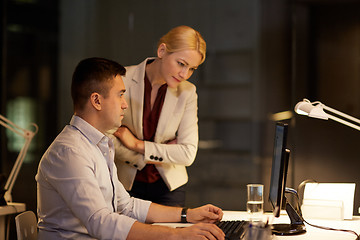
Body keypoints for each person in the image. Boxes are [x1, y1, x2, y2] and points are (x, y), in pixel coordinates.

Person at [36, 57, 225, 240]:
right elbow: (101, 222)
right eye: (120, 95)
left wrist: (187, 215)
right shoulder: (69, 152)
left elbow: (126, 206)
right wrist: (177, 235)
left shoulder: (99, 145)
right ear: (97, 101)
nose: (125, 104)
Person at [108, 25, 206, 206]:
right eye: (181, 64)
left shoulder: (188, 92)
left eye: (192, 68)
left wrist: (137, 145)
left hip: (169, 187)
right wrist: (151, 155)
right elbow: (106, 136)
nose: (185, 74)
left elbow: (187, 153)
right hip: (126, 184)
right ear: (162, 51)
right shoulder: (121, 78)